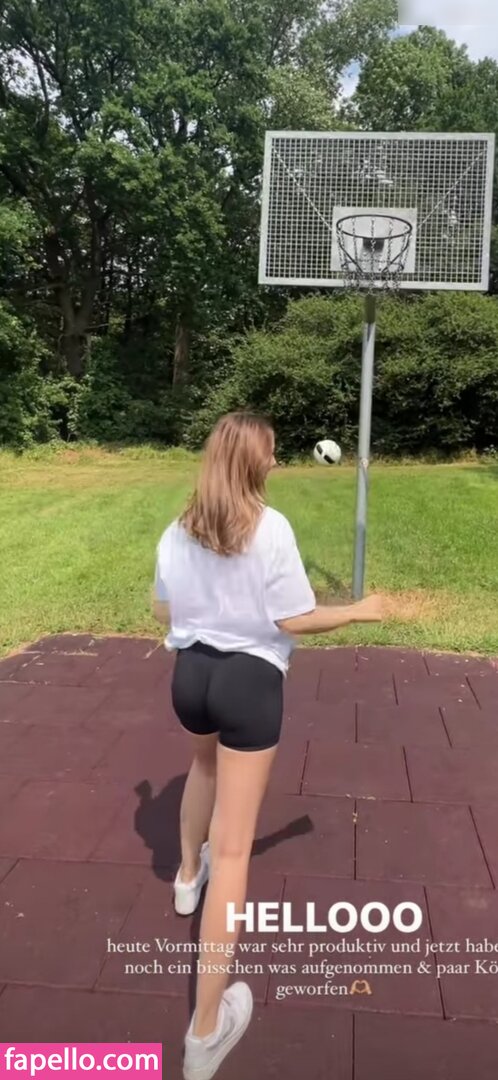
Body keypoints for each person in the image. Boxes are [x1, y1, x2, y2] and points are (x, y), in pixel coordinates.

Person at [152, 412, 382, 1080]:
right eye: (272, 454)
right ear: (254, 462)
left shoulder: (178, 528)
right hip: (248, 685)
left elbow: (163, 610)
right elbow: (294, 619)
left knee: (200, 767)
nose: (276, 462)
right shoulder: (271, 528)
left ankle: (185, 880)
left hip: (190, 677)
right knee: (234, 852)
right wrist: (360, 610)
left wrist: (208, 608)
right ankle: (205, 1033)